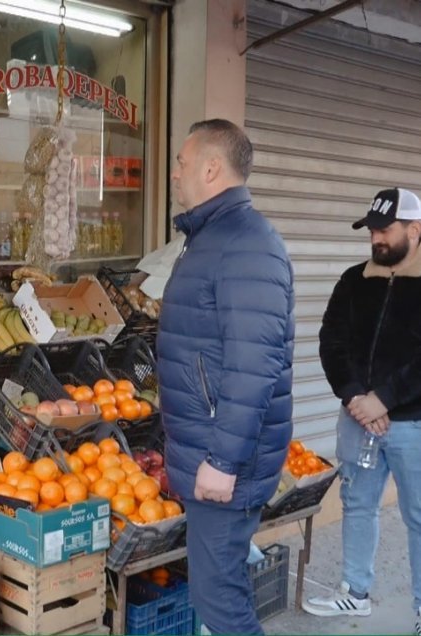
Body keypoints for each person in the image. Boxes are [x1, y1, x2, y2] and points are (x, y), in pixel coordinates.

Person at [156, 119, 295, 635]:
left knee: (220, 601)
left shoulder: (245, 245)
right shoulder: (213, 237)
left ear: (212, 168)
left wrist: (221, 461)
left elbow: (254, 365)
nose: (175, 173)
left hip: (225, 460)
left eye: (182, 162)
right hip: (211, 451)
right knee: (214, 590)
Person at [304, 187, 421, 632]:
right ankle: (355, 593)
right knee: (357, 503)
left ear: (415, 229)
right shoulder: (355, 280)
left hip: (413, 423)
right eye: (372, 230)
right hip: (358, 418)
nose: (376, 238)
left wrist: (384, 398)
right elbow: (331, 341)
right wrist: (355, 396)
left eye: (385, 229)